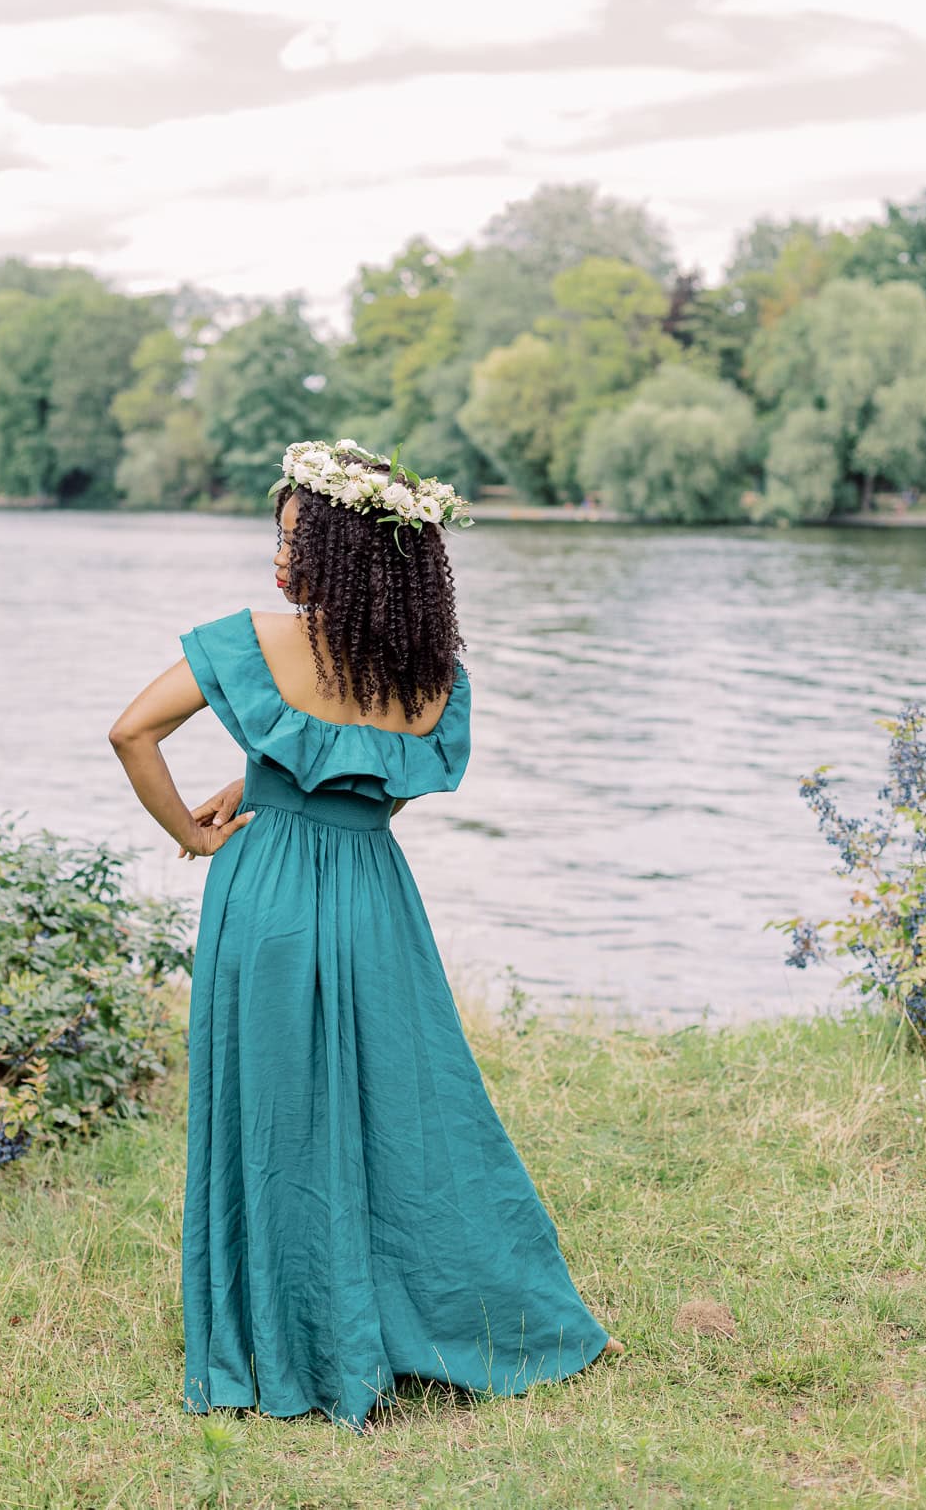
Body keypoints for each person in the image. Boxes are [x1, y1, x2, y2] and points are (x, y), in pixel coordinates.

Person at [108, 438, 622, 1433]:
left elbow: (132, 732)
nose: (277, 561)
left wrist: (192, 831)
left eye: (295, 540)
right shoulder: (430, 675)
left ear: (346, 552)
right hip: (375, 900)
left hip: (264, 897)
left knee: (272, 1115)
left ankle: (284, 1335)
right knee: (405, 1107)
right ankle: (446, 1311)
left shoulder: (257, 640)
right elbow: (366, 784)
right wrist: (263, 778)